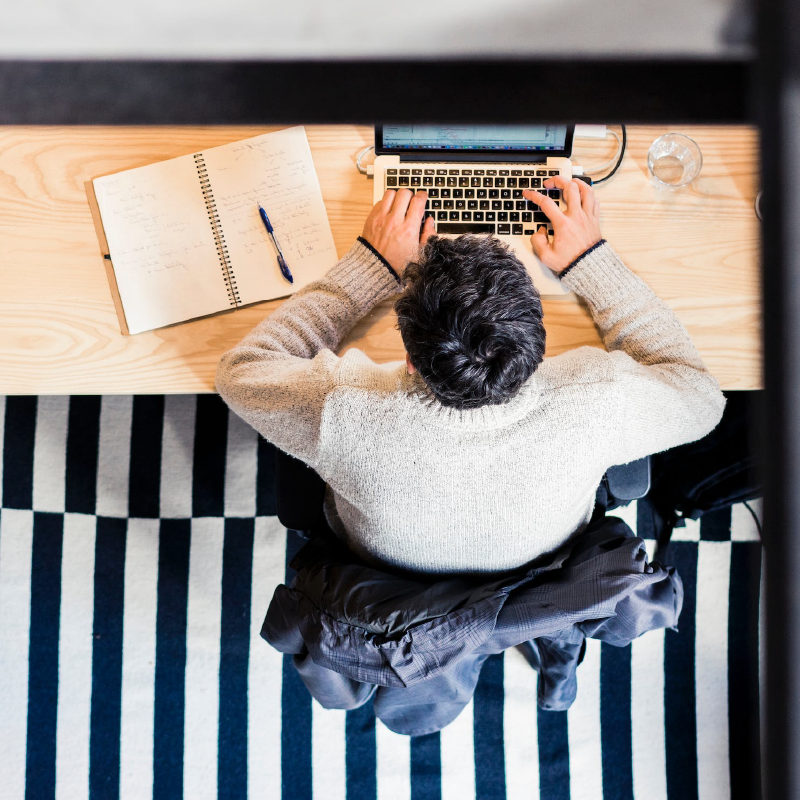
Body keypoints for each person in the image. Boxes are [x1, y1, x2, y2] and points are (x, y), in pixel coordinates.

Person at [216, 179, 725, 575]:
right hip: (539, 574)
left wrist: (371, 266)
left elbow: (242, 370)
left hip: (382, 577)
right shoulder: (595, 400)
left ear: (410, 360)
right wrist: (590, 262)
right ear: (537, 343)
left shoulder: (343, 407)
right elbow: (701, 395)